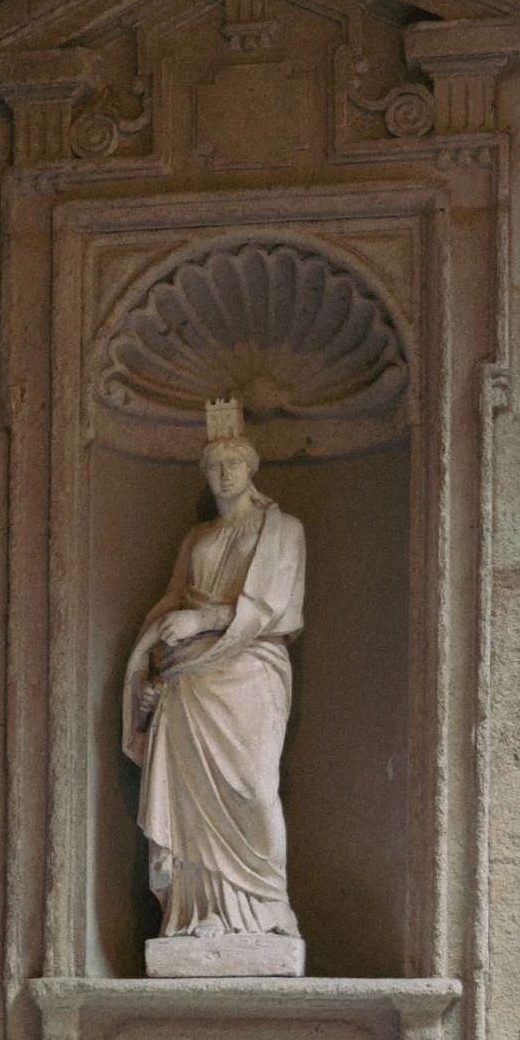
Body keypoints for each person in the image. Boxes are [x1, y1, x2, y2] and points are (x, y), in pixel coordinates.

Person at [121, 398, 305, 955]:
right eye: (212, 466)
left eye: (232, 464)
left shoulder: (283, 529)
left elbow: (280, 610)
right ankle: (200, 912)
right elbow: (168, 606)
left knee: (253, 787)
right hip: (187, 680)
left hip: (250, 668)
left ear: (251, 468)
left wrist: (202, 618)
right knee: (190, 799)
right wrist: (151, 661)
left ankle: (270, 910)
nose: (222, 475)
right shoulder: (195, 538)